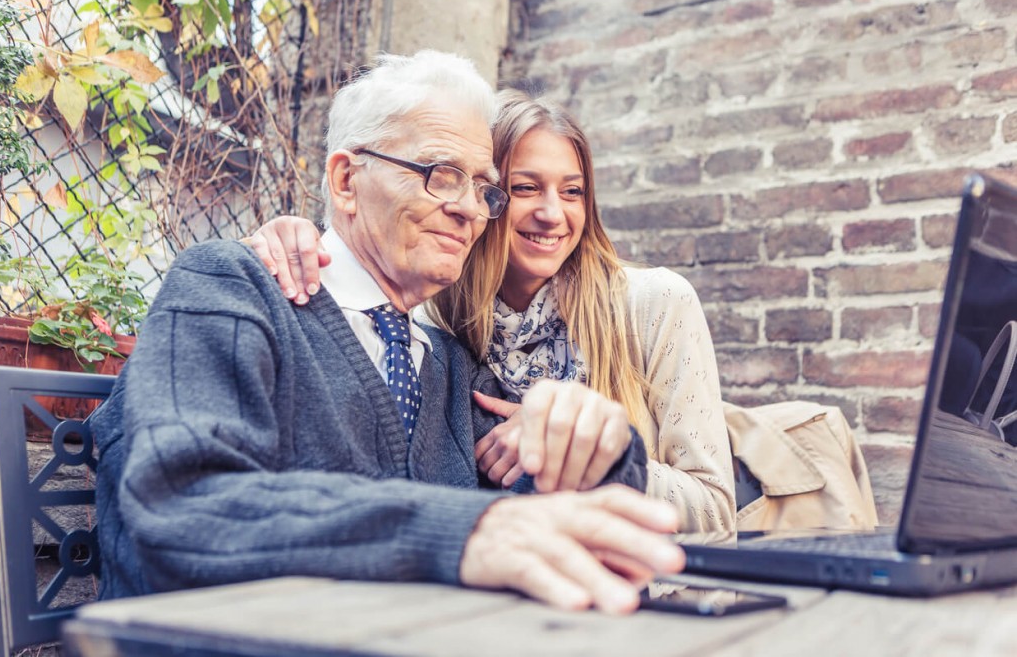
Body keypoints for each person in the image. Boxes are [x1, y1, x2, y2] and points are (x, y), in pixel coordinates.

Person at [90, 51, 685, 615]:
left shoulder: (447, 365)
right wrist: (461, 530)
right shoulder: (229, 289)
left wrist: (600, 449)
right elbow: (181, 508)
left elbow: (542, 499)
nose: (471, 211)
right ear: (347, 181)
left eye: (483, 188)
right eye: (441, 175)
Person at [249, 89, 736, 531]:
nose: (553, 213)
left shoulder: (651, 303)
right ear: (487, 197)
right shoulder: (432, 320)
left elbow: (715, 509)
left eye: (573, 192)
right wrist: (304, 242)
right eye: (526, 188)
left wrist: (573, 446)